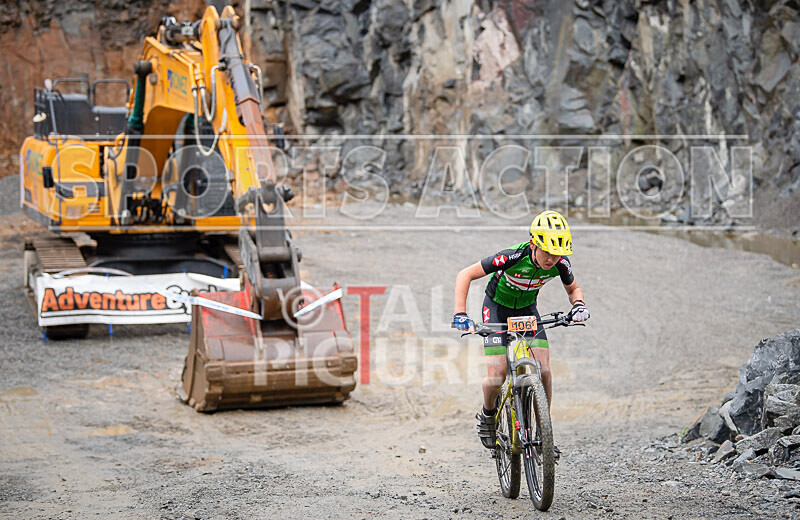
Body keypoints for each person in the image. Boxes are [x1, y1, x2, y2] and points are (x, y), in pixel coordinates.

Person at [452, 210, 589, 457]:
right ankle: (488, 415)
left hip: (527, 312)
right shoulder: (513, 256)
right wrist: (460, 314)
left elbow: (574, 289)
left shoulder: (560, 264)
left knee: (544, 370)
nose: (552, 260)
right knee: (497, 374)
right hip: (496, 309)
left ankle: (542, 432)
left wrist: (579, 305)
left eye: (557, 254)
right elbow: (465, 274)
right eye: (547, 252)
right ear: (534, 244)